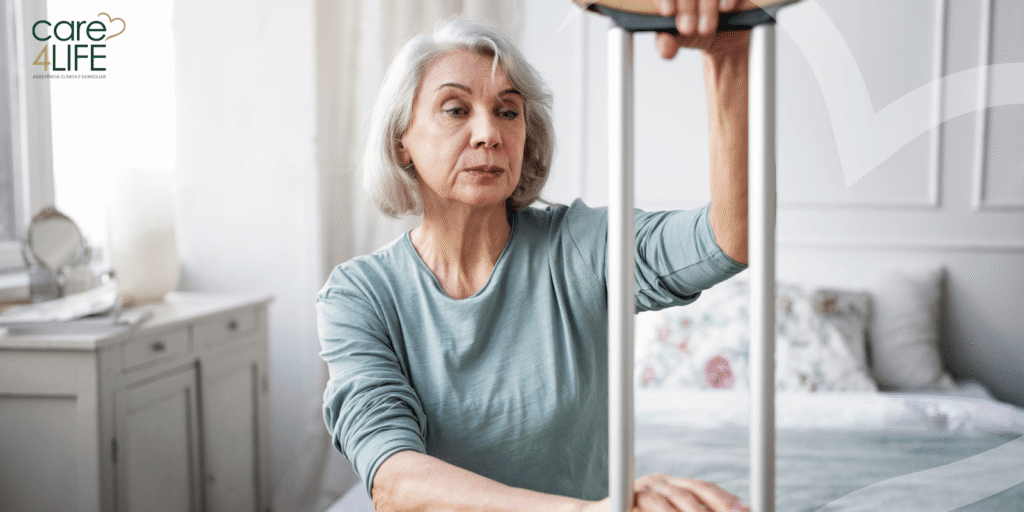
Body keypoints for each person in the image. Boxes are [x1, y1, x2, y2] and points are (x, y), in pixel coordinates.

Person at [318, 1, 753, 510]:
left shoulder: (581, 245)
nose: (489, 133)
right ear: (401, 144)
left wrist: (730, 62)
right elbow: (393, 480)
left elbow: (727, 240)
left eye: (508, 111)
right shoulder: (358, 295)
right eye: (456, 110)